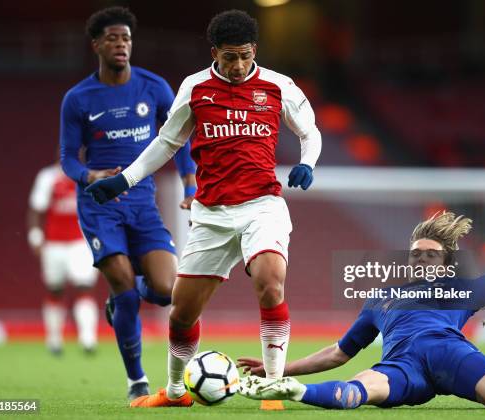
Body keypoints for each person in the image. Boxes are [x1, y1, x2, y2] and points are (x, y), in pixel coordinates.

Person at [85, 9, 322, 409]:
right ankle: (176, 393)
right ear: (215, 52)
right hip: (211, 214)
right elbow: (166, 142)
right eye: (229, 57)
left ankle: (272, 387)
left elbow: (310, 130)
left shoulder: (278, 86)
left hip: (262, 205)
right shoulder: (195, 88)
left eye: (245, 56)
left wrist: (306, 163)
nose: (237, 65)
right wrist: (124, 179)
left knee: (270, 280)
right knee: (182, 312)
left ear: (254, 51)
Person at [238, 197, 485, 410]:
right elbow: (339, 352)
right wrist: (277, 370)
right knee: (356, 391)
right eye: (416, 253)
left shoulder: (462, 290)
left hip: (448, 353)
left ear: (445, 263)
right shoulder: (379, 299)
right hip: (402, 365)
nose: (421, 258)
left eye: (430, 254)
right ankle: (294, 390)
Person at [59, 6, 197, 400]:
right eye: (114, 38)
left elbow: (180, 136)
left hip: (142, 202)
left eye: (127, 39)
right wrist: (90, 176)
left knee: (168, 290)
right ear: (97, 45)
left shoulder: (154, 87)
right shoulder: (78, 98)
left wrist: (190, 182)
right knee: (122, 285)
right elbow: (69, 156)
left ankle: (125, 295)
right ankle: (136, 379)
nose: (121, 44)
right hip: (100, 205)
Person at [28, 156, 99, 356]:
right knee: (55, 289)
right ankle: (54, 340)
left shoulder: (89, 177)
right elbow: (36, 209)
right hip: (54, 244)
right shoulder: (48, 177)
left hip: (80, 242)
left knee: (84, 287)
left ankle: (88, 339)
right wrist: (35, 236)